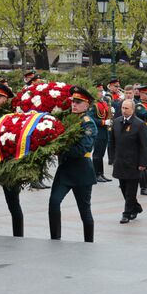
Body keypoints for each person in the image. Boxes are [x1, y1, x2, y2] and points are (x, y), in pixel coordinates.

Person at [48, 86, 97, 242]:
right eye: (73, 101)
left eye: (78, 102)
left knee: (85, 211)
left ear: (87, 105)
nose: (74, 105)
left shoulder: (88, 124)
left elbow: (83, 148)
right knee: (54, 202)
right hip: (65, 170)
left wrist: (59, 148)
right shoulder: (67, 119)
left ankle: (89, 242)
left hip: (82, 171)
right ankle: (55, 238)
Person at [0, 81, 24, 236]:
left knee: (13, 203)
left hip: (9, 166)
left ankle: (18, 235)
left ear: (7, 99)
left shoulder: (15, 119)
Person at [111, 99, 147, 224]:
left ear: (132, 109)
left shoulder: (139, 124)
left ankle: (126, 213)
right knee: (123, 187)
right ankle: (136, 207)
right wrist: (112, 158)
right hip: (120, 161)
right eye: (122, 108)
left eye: (126, 108)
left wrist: (143, 163)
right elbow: (112, 142)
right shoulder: (116, 122)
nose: (124, 110)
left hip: (134, 162)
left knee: (131, 190)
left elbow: (144, 146)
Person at [88, 87, 113, 182]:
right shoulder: (93, 104)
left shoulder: (104, 103)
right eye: (98, 91)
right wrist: (103, 122)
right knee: (97, 154)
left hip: (105, 131)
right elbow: (90, 118)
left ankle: (101, 173)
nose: (101, 93)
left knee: (101, 153)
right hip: (98, 131)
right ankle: (96, 174)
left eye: (101, 91)